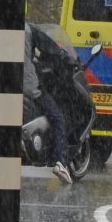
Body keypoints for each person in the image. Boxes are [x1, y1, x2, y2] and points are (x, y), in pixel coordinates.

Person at [25, 23, 78, 184]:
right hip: (26, 84)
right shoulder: (28, 29)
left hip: (1, 84)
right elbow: (51, 48)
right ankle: (60, 162)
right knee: (57, 117)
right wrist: (66, 58)